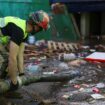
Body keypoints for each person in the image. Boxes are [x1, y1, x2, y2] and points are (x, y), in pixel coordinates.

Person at [0, 10, 50, 90]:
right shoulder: (19, 30)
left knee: (8, 61)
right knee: (6, 59)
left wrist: (21, 74)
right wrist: (14, 82)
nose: (39, 31)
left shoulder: (24, 32)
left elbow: (20, 55)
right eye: (40, 28)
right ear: (35, 25)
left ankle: (3, 83)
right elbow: (12, 59)